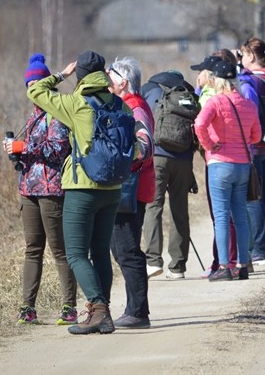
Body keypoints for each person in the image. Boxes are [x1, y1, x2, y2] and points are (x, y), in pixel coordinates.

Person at [27, 51, 132, 335]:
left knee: (75, 253)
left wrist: (62, 74)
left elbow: (35, 90)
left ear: (81, 75)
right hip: (113, 189)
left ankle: (98, 311)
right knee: (100, 253)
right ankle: (103, 311)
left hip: (82, 188)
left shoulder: (76, 104)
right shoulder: (122, 107)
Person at [5, 53, 77, 326]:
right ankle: (27, 308)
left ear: (46, 85)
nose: (30, 91)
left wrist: (25, 147)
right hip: (28, 190)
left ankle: (69, 306)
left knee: (59, 250)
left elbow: (58, 150)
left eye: (35, 85)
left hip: (51, 191)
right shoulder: (33, 116)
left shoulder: (58, 112)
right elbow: (34, 153)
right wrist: (16, 154)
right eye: (28, 87)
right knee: (32, 249)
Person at [194, 60, 261, 281]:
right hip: (242, 165)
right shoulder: (249, 105)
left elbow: (199, 125)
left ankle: (224, 266)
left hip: (220, 164)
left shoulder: (215, 102)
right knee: (240, 216)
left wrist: (209, 145)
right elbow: (256, 137)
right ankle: (242, 265)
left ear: (218, 81)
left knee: (222, 217)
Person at [107, 57, 155, 328]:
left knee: (127, 250)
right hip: (132, 186)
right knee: (121, 249)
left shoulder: (134, 107)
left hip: (131, 188)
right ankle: (134, 308)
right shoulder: (130, 105)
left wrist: (120, 161)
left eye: (112, 78)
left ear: (123, 82)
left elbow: (144, 147)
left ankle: (138, 312)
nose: (108, 83)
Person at [141, 70, 198, 279]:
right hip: (183, 159)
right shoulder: (187, 93)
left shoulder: (148, 89)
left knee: (153, 207)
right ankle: (178, 266)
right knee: (179, 210)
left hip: (158, 157)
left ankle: (153, 261)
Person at [236, 38, 265, 265]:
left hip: (255, 144)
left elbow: (250, 114)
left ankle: (260, 250)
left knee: (254, 197)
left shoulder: (250, 82)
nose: (242, 60)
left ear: (252, 57)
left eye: (244, 55)